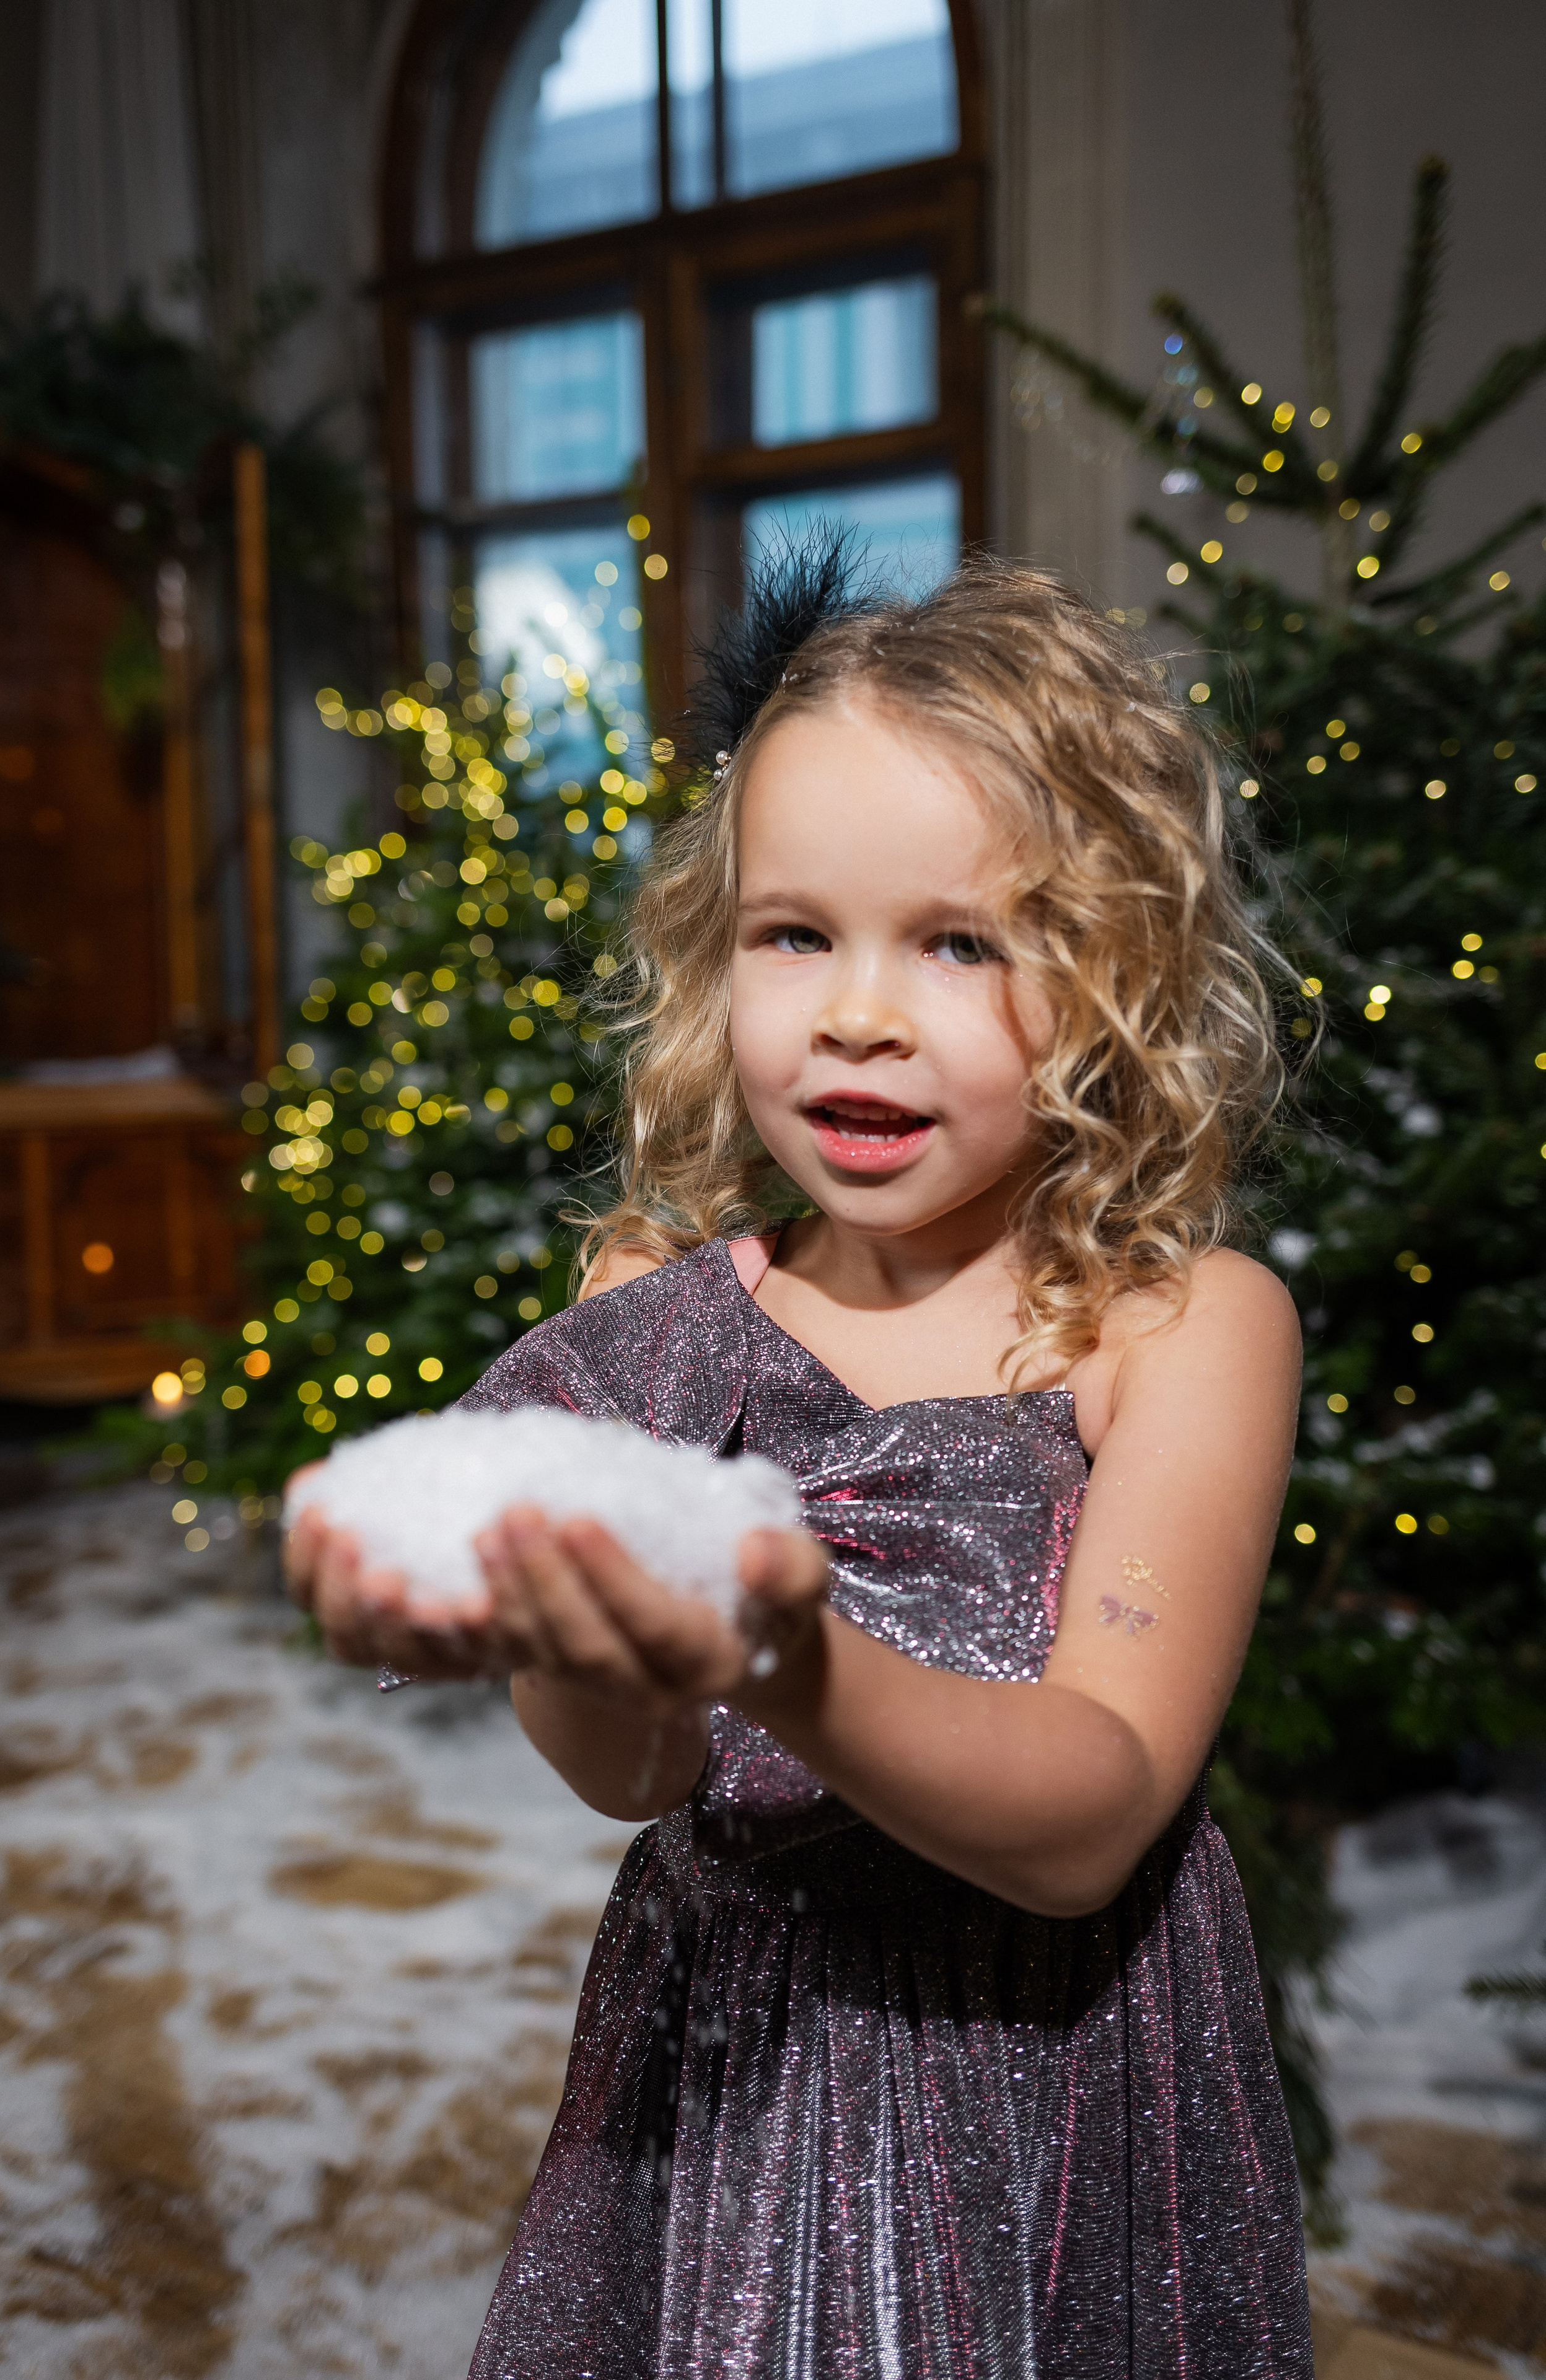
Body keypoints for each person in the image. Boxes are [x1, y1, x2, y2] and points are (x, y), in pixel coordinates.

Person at [287, 547, 1312, 2378]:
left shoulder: (1175, 1323)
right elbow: (626, 1776)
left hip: (1051, 2071)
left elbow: (1091, 1818)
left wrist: (785, 1649)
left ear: (1121, 975)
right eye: (793, 932)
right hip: (740, 2049)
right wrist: (569, 1627)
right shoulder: (655, 1304)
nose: (855, 1010)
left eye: (962, 941)